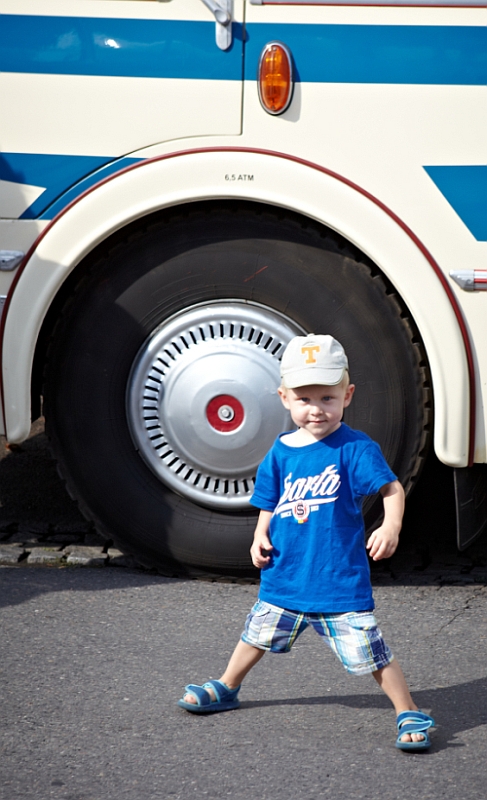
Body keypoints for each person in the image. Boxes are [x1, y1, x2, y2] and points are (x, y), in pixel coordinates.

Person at [178, 334, 434, 751]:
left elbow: (392, 489)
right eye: (305, 398)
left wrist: (391, 527)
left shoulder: (354, 448)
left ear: (347, 395)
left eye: (328, 398)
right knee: (255, 635)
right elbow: (269, 501)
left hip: (337, 580)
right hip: (286, 574)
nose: (316, 409)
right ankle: (227, 686)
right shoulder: (280, 451)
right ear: (284, 397)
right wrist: (260, 534)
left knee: (371, 650)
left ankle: (408, 709)